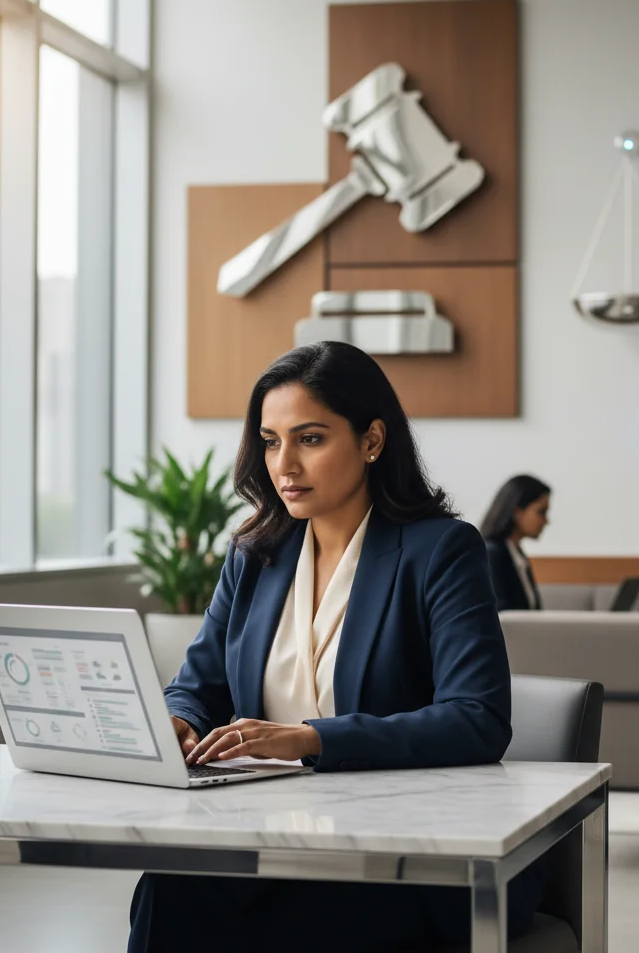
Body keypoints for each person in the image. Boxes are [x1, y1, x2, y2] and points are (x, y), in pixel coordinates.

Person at [128, 342, 544, 952]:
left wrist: (312, 738)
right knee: (169, 888)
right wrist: (180, 720)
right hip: (270, 840)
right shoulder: (255, 554)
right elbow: (198, 681)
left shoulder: (442, 550)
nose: (284, 465)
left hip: (409, 855)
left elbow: (478, 718)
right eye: (271, 441)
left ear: (372, 440)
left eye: (310, 439)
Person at [479, 475, 551, 612]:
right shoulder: (492, 555)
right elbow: (502, 617)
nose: (546, 521)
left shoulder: (516, 554)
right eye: (541, 512)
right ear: (517, 512)